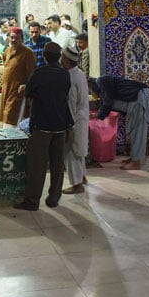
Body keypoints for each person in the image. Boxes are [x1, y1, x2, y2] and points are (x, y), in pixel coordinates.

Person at [14, 42, 72, 211]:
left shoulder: (39, 73)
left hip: (42, 125)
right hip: (61, 124)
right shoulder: (64, 74)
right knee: (57, 164)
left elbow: (29, 92)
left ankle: (32, 201)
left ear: (45, 56)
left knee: (37, 165)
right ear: (59, 56)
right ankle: (54, 198)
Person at [91, 75, 149, 170]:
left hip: (138, 100)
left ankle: (136, 163)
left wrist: (98, 115)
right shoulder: (101, 85)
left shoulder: (100, 81)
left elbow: (108, 102)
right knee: (133, 131)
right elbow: (109, 101)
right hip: (134, 101)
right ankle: (134, 158)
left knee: (137, 132)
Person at [60, 44, 89, 194]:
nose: (60, 59)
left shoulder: (70, 78)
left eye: (62, 57)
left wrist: (69, 126)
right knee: (80, 149)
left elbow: (71, 103)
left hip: (75, 119)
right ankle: (82, 177)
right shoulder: (79, 73)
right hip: (82, 117)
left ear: (66, 60)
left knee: (72, 151)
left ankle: (77, 184)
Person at [0, 26, 36, 126]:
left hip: (18, 93)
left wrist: (27, 86)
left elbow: (32, 74)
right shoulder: (7, 51)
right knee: (6, 117)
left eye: (16, 38)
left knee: (12, 118)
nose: (13, 40)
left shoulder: (28, 53)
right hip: (7, 91)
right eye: (12, 37)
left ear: (22, 39)